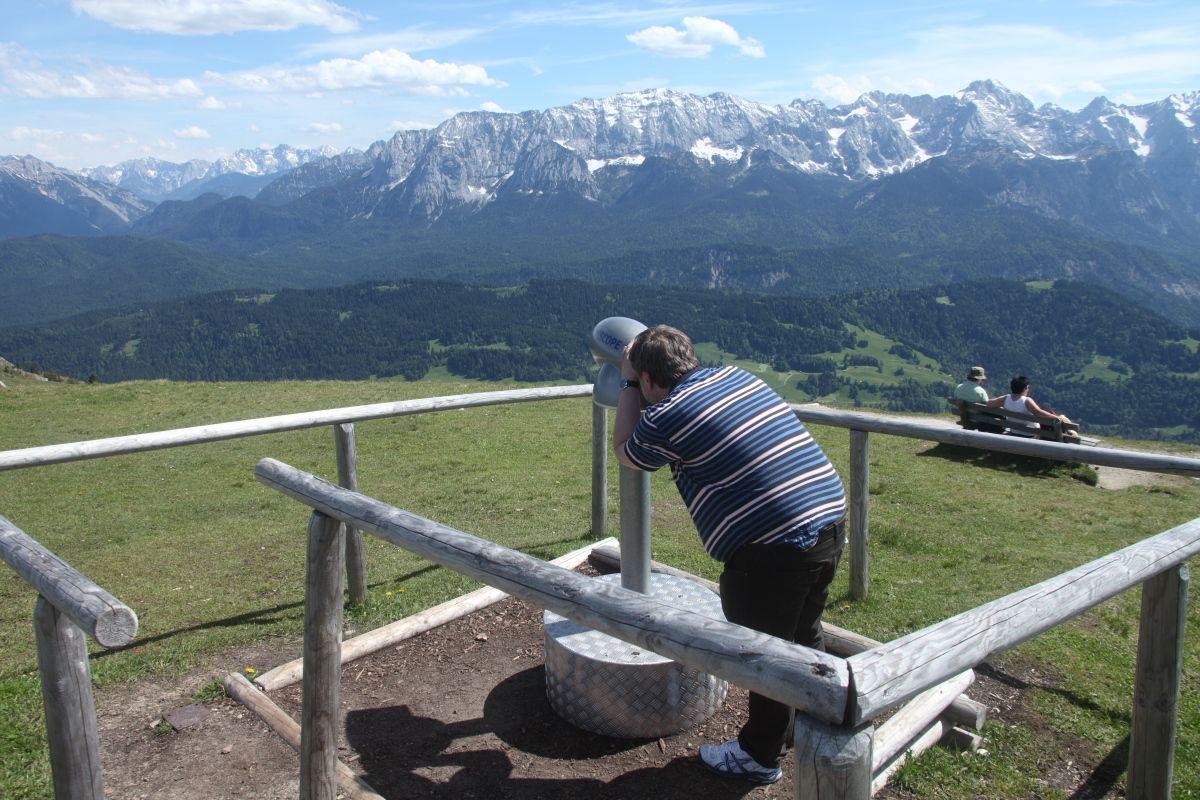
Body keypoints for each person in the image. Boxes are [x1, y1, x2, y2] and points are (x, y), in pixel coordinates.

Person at [613, 325, 847, 785]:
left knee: (764, 655)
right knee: (802, 633)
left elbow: (626, 452)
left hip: (777, 547)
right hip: (828, 519)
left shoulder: (667, 414)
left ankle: (759, 756)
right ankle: (815, 722)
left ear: (649, 379)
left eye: (641, 380)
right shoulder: (737, 376)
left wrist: (625, 382)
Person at [986, 375, 1069, 436]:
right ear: (1025, 388)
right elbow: (1038, 413)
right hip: (1030, 433)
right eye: (1028, 387)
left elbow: (989, 403)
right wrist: (1057, 417)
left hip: (1014, 431)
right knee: (1053, 416)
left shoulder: (1005, 398)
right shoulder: (1026, 401)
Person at [951, 366, 1003, 433]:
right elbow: (988, 406)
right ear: (979, 379)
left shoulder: (959, 387)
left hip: (963, 418)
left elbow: (956, 399)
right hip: (977, 420)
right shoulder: (980, 391)